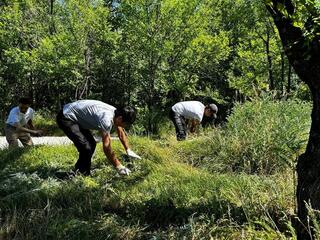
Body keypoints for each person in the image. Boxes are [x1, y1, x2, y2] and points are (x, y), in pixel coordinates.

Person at [56, 99, 141, 176]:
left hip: (75, 116)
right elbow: (107, 148)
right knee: (86, 147)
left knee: (91, 144)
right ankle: (81, 173)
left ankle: (81, 171)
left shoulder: (117, 113)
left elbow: (121, 132)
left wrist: (128, 150)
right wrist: (119, 167)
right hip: (66, 117)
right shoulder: (106, 119)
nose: (125, 126)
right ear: (120, 118)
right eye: (126, 124)